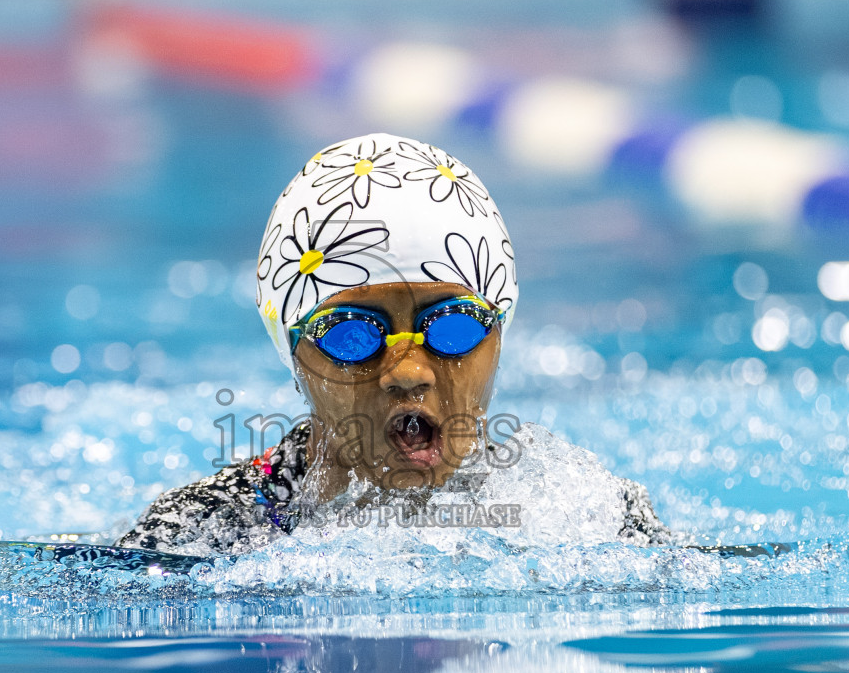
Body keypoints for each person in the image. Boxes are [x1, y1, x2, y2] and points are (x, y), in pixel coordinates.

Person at [113, 133, 672, 556]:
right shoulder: (205, 532)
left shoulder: (592, 514)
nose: (408, 372)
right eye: (353, 334)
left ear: (500, 334)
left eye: (454, 327)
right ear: (293, 355)